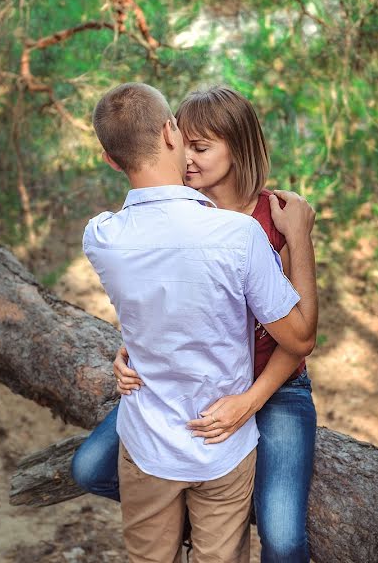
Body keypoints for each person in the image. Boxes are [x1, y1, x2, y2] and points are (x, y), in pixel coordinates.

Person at [74, 85, 319, 563]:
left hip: (274, 382)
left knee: (284, 535)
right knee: (88, 467)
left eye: (202, 147)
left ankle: (213, 510)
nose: (186, 157)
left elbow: (299, 339)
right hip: (186, 385)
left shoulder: (278, 219)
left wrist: (249, 402)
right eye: (183, 143)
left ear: (240, 145)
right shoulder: (171, 214)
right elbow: (158, 303)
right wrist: (127, 350)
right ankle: (191, 514)